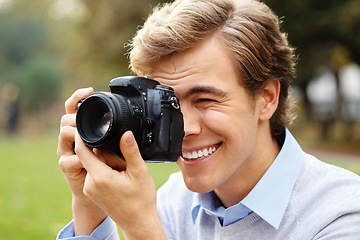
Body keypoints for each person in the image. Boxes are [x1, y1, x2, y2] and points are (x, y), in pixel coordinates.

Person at [57, 0, 360, 239]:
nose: (185, 128)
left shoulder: (342, 214)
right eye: (168, 104)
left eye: (205, 99)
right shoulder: (170, 203)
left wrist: (143, 230)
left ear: (267, 98)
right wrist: (90, 206)